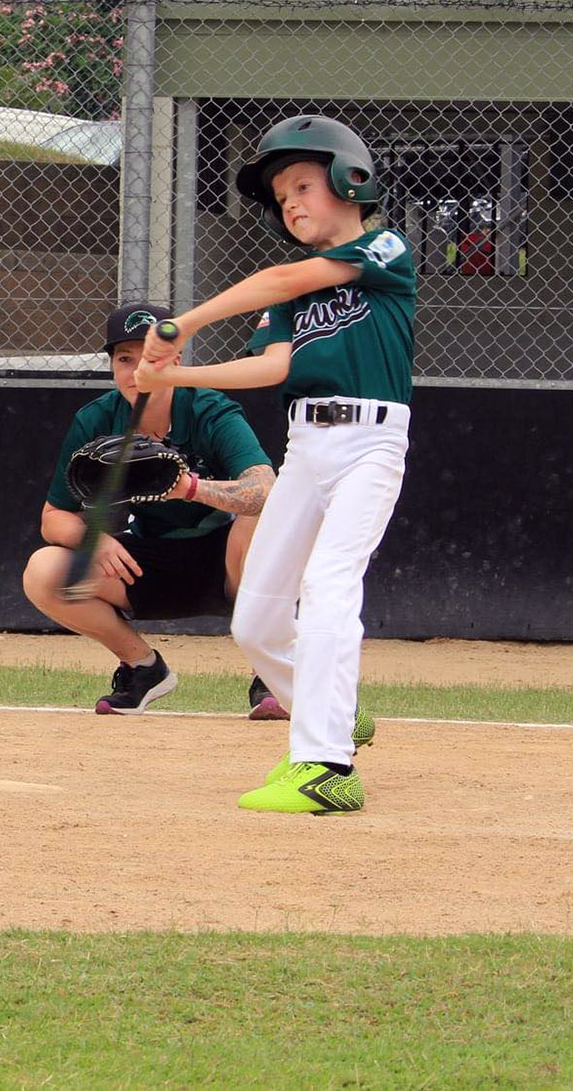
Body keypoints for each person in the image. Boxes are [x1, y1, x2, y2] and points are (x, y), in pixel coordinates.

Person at [134, 115, 410, 816]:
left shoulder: (384, 246)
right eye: (281, 195)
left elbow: (282, 276)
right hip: (306, 449)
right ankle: (336, 712)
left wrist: (181, 326)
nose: (289, 203)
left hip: (369, 443)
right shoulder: (296, 296)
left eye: (302, 185)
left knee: (327, 584)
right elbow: (273, 365)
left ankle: (326, 766)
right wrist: (177, 377)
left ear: (351, 178)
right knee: (254, 618)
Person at [21, 300, 279, 718]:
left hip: (226, 560)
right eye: (125, 359)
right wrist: (95, 540)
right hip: (145, 562)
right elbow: (54, 517)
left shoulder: (208, 410)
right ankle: (143, 668)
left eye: (151, 357)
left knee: (263, 516)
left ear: (176, 360)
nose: (137, 370)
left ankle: (271, 673)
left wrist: (190, 489)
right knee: (43, 571)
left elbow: (265, 489)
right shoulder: (98, 419)